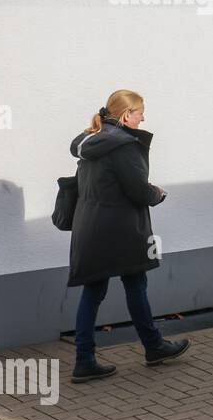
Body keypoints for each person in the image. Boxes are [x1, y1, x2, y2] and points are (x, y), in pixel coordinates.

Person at [67, 90, 189, 382]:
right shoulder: (123, 145)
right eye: (139, 113)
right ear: (125, 115)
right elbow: (137, 190)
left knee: (94, 291)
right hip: (120, 229)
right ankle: (154, 346)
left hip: (90, 226)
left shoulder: (90, 140)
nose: (143, 117)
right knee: (135, 284)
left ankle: (85, 360)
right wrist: (157, 193)